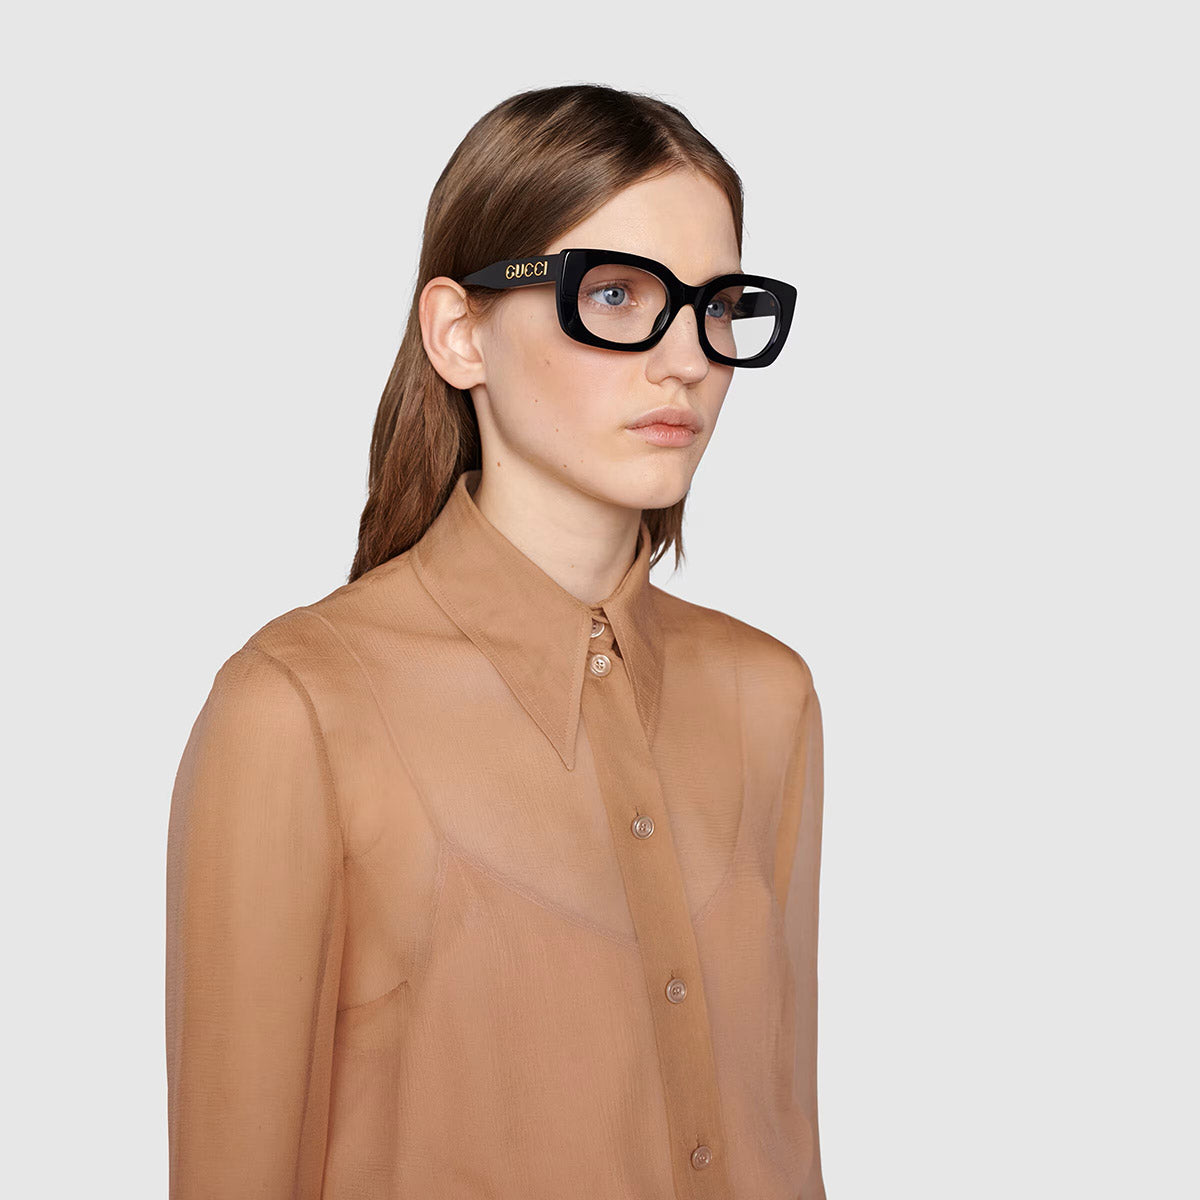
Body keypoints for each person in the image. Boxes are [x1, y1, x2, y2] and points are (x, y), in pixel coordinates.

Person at [165, 82, 827, 1200]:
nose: (686, 359)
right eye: (614, 293)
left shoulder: (770, 698)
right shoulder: (296, 710)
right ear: (459, 332)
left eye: (717, 307)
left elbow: (784, 1138)